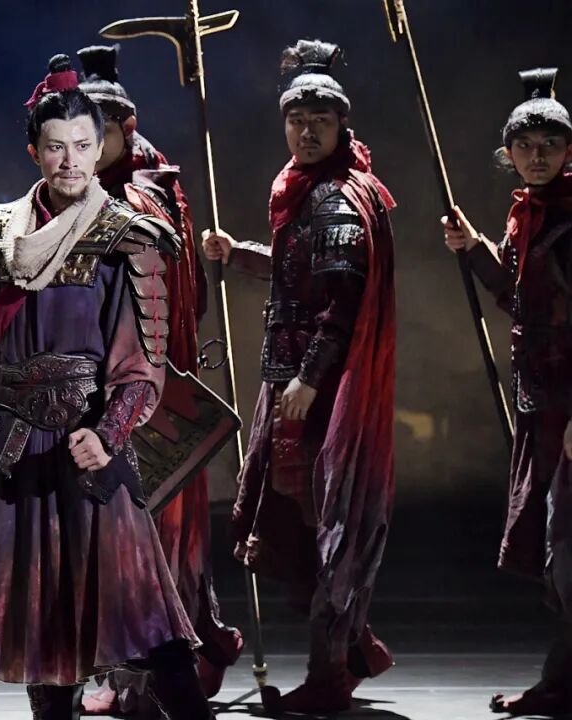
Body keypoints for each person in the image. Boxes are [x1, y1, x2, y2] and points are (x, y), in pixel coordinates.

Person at [0, 53, 212, 720]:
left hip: (89, 449)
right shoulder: (1, 234)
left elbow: (141, 364)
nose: (70, 161)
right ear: (35, 151)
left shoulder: (125, 237)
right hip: (18, 454)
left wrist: (109, 433)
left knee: (146, 618)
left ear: (100, 147)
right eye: (56, 147)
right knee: (42, 635)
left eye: (83, 146)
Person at [202, 39, 396, 714]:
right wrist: (239, 254)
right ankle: (354, 653)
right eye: (296, 119)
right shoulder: (305, 192)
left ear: (342, 125)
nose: (306, 131)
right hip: (290, 386)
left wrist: (310, 378)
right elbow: (296, 276)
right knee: (294, 526)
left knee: (322, 530)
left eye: (319, 120)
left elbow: (341, 304)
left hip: (317, 397)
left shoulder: (337, 198)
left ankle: (331, 674)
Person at [75, 43, 241, 716]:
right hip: (108, 389)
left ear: (126, 127)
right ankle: (138, 671)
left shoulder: (140, 198)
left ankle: (159, 674)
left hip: (142, 390)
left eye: (99, 133)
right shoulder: (111, 186)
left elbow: (163, 304)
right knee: (117, 534)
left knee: (148, 532)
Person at [441, 67, 572, 717]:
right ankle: (562, 680)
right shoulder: (528, 216)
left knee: (568, 549)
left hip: (569, 410)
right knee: (557, 550)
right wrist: (474, 249)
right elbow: (520, 300)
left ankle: (561, 683)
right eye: (525, 145)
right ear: (510, 153)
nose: (537, 155)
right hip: (543, 407)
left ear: (569, 150)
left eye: (550, 144)